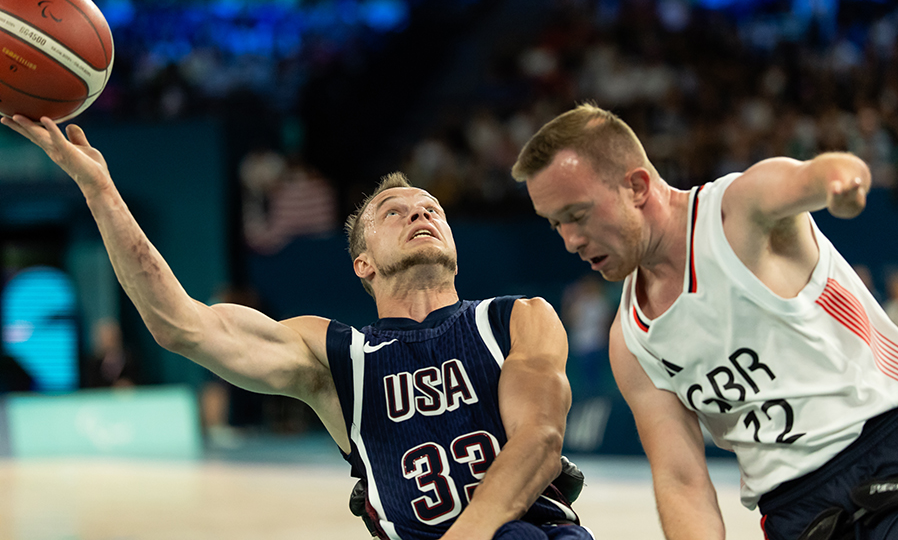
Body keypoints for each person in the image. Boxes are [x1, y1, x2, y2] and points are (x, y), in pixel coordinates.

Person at [2, 114, 593, 540]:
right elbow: (180, 325)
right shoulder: (335, 354)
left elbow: (539, 438)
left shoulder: (517, 318)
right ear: (363, 262)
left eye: (432, 209)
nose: (420, 211)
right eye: (395, 211)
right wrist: (99, 189)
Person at [512, 102, 898, 540]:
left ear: (637, 186)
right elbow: (683, 482)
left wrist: (844, 184)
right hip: (798, 514)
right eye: (555, 225)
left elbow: (820, 172)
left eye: (577, 215)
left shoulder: (738, 212)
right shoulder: (631, 339)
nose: (570, 241)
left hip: (887, 446)